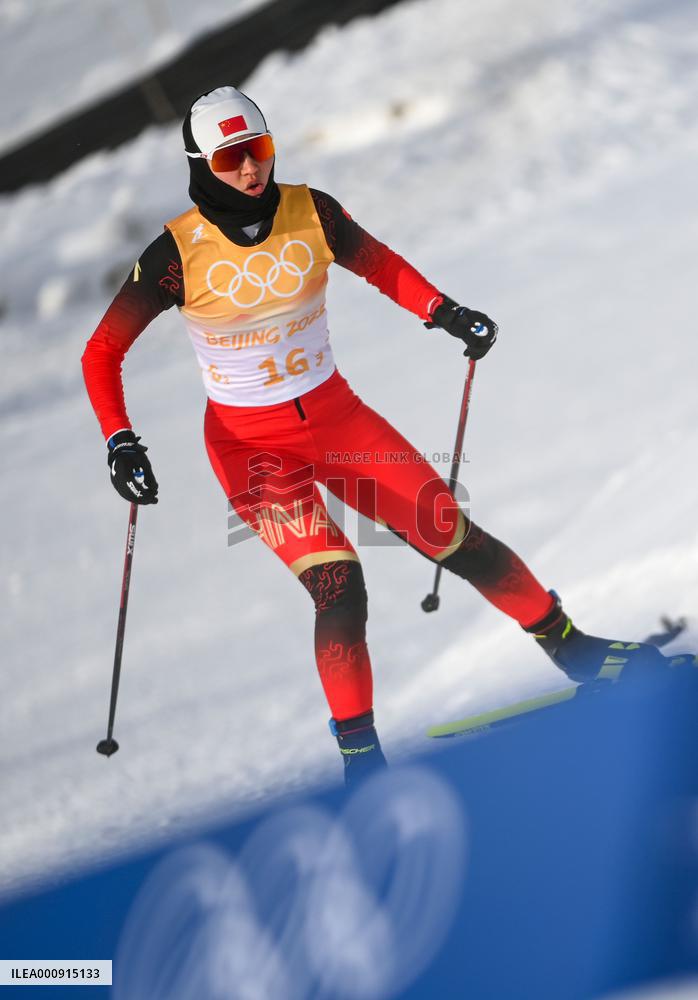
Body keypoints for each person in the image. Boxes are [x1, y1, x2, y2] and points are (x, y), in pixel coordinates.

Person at [82, 86, 666, 785]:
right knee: (340, 586)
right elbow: (101, 353)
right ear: (201, 164)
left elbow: (381, 264)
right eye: (232, 157)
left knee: (452, 534)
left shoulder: (310, 211)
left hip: (336, 418)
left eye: (260, 150)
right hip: (251, 450)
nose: (251, 170)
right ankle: (362, 762)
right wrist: (120, 440)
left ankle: (572, 647)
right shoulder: (177, 254)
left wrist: (443, 311)